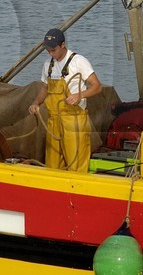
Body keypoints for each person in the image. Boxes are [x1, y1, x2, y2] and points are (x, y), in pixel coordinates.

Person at [28, 27, 101, 171]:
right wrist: (36, 103)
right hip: (54, 121)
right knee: (53, 165)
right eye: (48, 50)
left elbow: (97, 86)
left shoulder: (78, 61)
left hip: (74, 120)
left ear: (63, 45)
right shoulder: (47, 65)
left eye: (53, 50)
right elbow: (45, 87)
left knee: (76, 165)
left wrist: (79, 95)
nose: (50, 53)